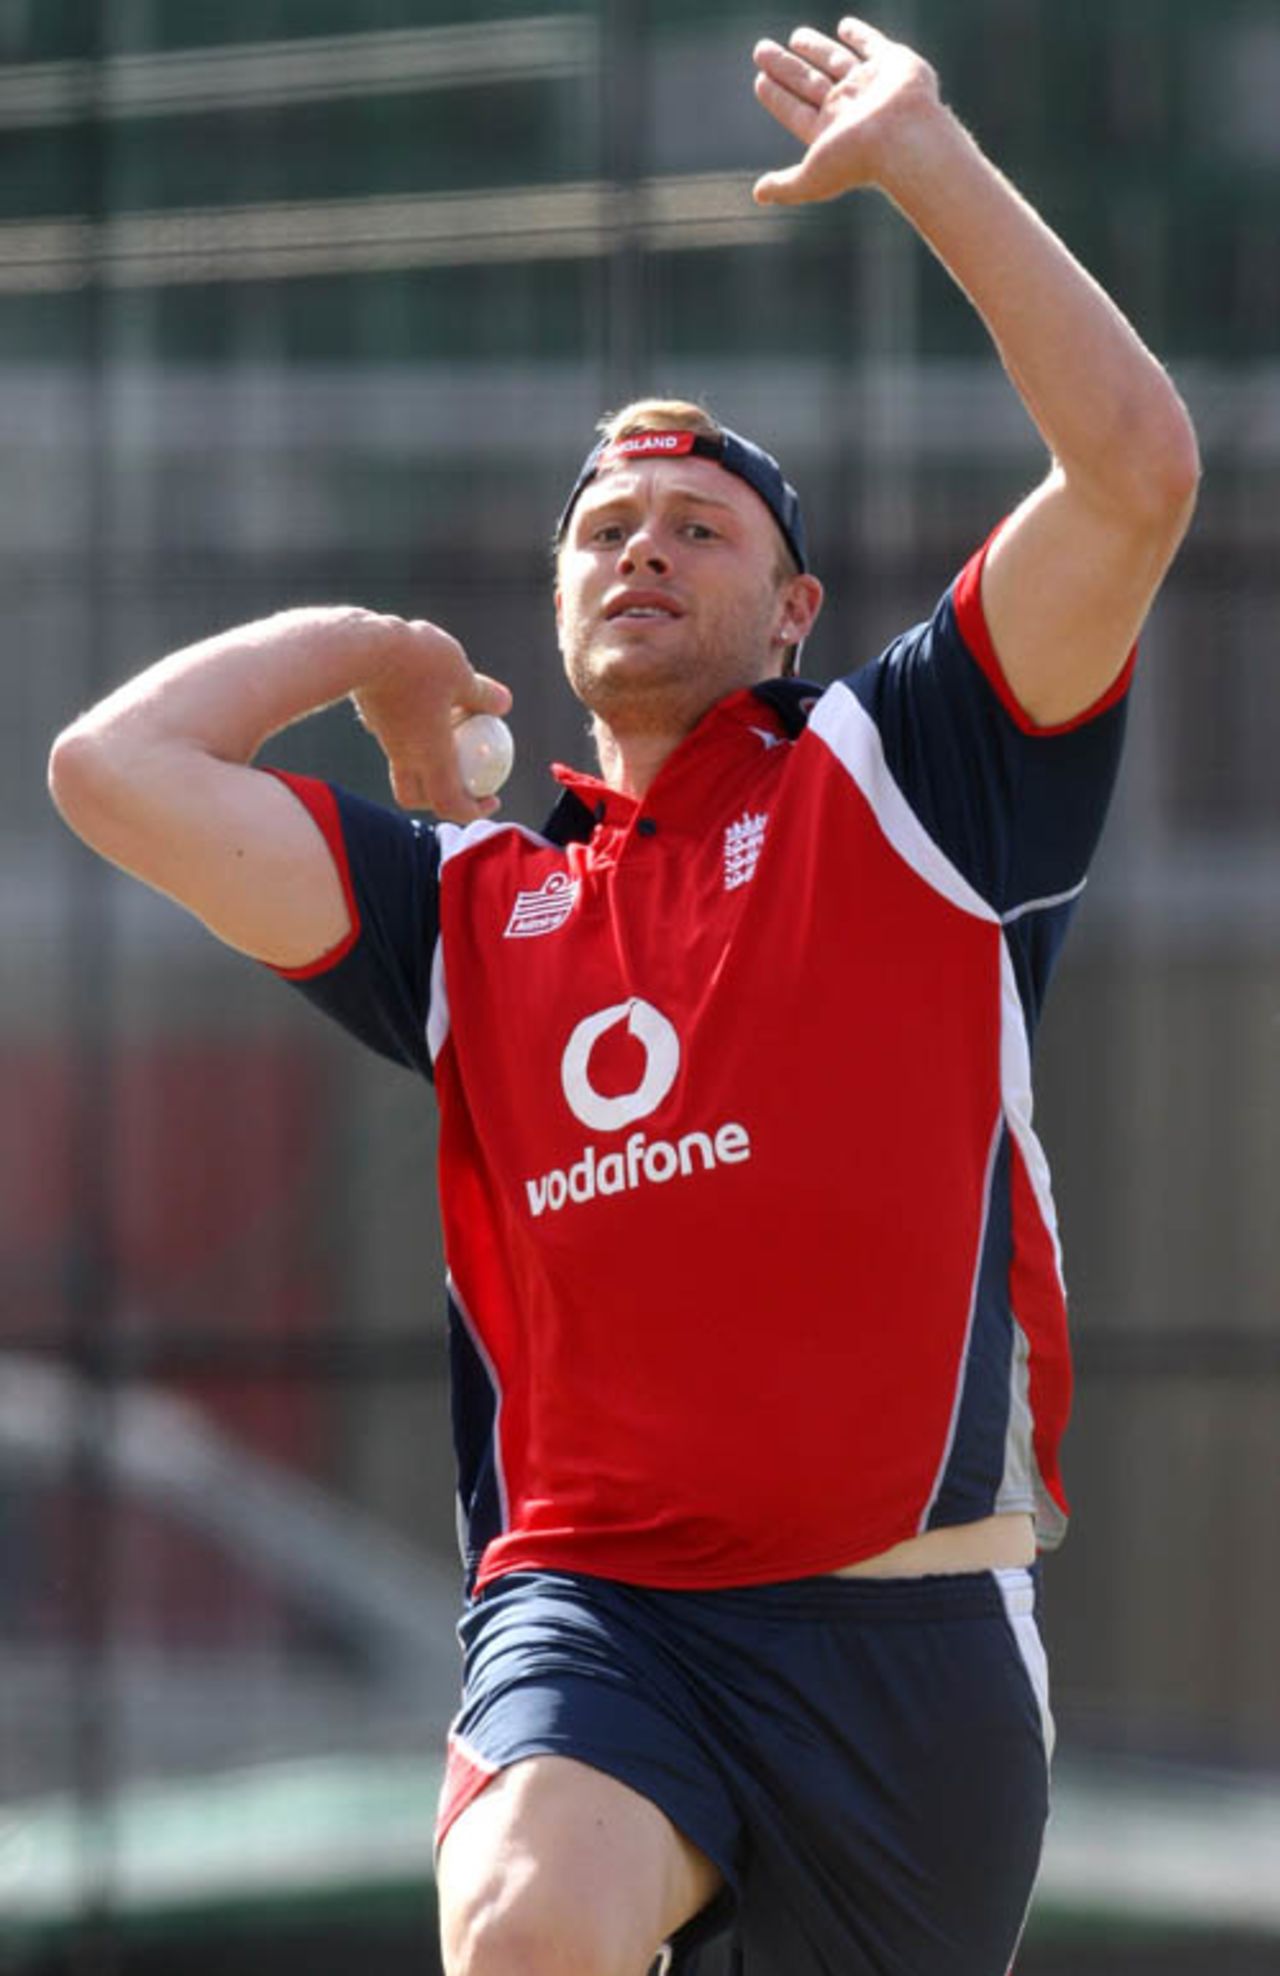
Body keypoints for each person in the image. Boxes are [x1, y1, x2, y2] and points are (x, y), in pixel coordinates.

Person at [49, 17, 1198, 1976]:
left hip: (906, 1640)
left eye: (696, 526)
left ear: (790, 610)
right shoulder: (469, 901)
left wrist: (921, 152)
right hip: (599, 1611)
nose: (640, 548)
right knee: (525, 1923)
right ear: (559, 605)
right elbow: (110, 773)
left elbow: (1137, 469)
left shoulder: (911, 775)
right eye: (601, 529)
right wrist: (376, 651)